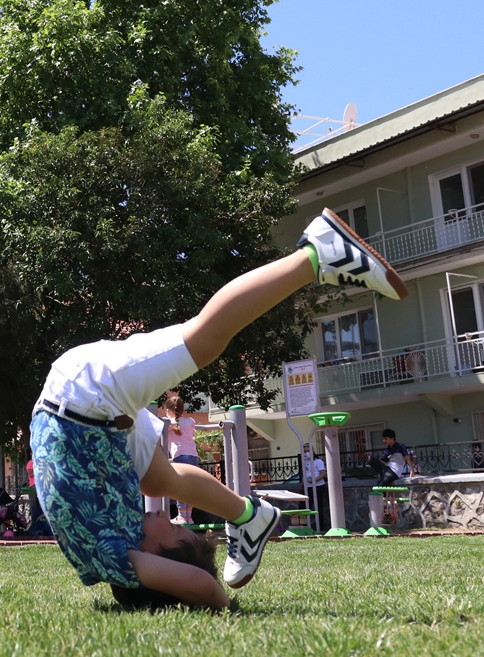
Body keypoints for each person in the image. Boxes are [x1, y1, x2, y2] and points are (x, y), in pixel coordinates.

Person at [30, 209, 409, 610]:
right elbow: (187, 571)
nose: (178, 525)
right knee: (157, 480)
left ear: (158, 559)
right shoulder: (117, 540)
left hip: (85, 395)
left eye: (181, 536)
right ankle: (249, 515)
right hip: (92, 423)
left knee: (205, 338)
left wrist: (221, 608)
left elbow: (201, 587)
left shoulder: (112, 560)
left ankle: (317, 255)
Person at [162, 394, 219, 525]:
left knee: (180, 486)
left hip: (180, 457)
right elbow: (192, 434)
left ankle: (182, 516)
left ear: (169, 411)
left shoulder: (168, 424)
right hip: (193, 456)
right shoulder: (190, 421)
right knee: (190, 486)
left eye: (166, 410)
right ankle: (188, 517)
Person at [301, 443, 330, 531]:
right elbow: (304, 474)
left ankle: (320, 528)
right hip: (307, 487)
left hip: (318, 487)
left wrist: (314, 480)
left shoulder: (318, 461)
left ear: (313, 450)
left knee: (318, 507)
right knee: (304, 507)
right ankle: (304, 527)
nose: (307, 453)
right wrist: (302, 485)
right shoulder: (305, 462)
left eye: (308, 450)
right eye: (305, 451)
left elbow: (323, 473)